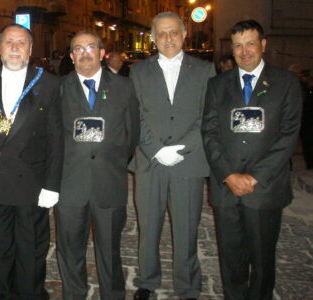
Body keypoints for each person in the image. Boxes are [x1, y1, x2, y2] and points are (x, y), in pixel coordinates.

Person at [201, 20, 302, 300]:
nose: (244, 51)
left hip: (265, 189)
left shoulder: (286, 83)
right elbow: (209, 132)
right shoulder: (217, 85)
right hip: (226, 187)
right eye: (237, 45)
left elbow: (288, 136)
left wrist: (255, 176)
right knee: (230, 259)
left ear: (263, 45)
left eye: (250, 43)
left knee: (261, 260)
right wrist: (229, 175)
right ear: (231, 50)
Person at [128, 12, 215, 300]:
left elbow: (208, 116)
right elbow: (134, 116)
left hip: (187, 162)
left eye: (174, 32)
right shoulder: (138, 71)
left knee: (187, 228)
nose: (168, 38)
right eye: (162, 33)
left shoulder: (204, 70)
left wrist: (182, 148)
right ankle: (147, 281)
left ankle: (188, 285)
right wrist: (156, 150)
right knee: (148, 227)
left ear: (184, 34)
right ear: (152, 38)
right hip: (149, 161)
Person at [0, 23, 62, 300]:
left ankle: (31, 294)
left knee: (30, 247)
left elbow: (57, 138)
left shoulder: (48, 83)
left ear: (31, 49)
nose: (14, 47)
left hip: (32, 183)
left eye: (21, 42)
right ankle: (2, 293)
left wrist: (52, 185)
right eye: (8, 42)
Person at [56, 30, 139, 300]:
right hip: (70, 185)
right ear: (71, 56)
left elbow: (131, 135)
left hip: (109, 183)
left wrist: (110, 161)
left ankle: (113, 295)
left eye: (90, 47)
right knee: (70, 251)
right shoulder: (58, 88)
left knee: (110, 251)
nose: (84, 53)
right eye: (77, 49)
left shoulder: (124, 87)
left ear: (102, 53)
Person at [288, 63, 313, 169]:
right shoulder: (288, 84)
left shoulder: (303, 84)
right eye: (298, 72)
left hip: (305, 117)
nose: (300, 74)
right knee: (288, 142)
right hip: (293, 117)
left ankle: (310, 164)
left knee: (308, 142)